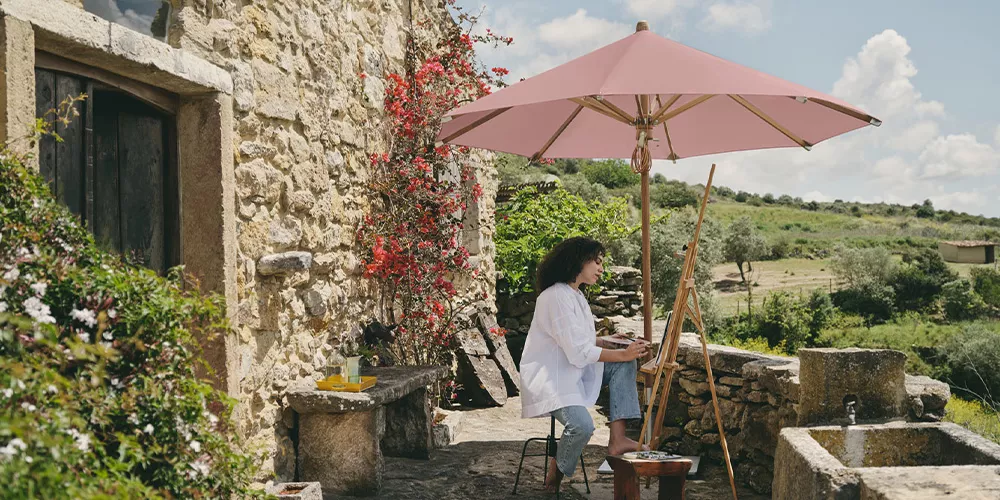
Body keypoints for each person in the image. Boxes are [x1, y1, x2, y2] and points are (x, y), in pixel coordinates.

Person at [519, 236, 651, 492]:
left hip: (573, 369)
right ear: (579, 260)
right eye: (597, 262)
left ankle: (618, 439)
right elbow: (578, 351)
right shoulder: (556, 296)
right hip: (553, 378)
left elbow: (578, 340)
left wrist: (608, 341)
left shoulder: (575, 295)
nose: (601, 268)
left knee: (624, 364)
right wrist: (623, 354)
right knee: (582, 426)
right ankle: (555, 475)